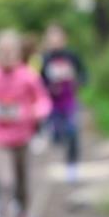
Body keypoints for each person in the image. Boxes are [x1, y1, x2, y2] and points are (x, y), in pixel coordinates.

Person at [0, 29, 51, 217]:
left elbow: (43, 100)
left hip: (22, 138)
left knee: (22, 187)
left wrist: (38, 111)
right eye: (2, 51)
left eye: (10, 51)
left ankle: (21, 216)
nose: (6, 55)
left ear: (18, 52)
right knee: (6, 182)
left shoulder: (28, 76)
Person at [40, 24, 87, 183]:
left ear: (63, 39)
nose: (55, 42)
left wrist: (78, 82)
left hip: (70, 102)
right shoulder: (44, 59)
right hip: (52, 105)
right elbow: (39, 81)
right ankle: (56, 149)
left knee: (73, 134)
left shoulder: (71, 56)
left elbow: (84, 73)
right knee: (58, 136)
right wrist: (48, 87)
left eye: (57, 38)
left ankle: (72, 167)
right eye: (51, 39)